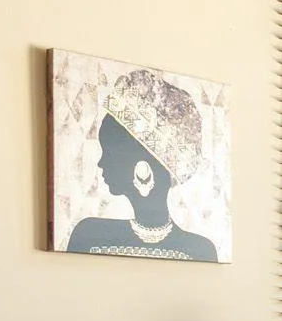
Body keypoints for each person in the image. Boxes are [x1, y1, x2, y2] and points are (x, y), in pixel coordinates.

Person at [64, 68, 219, 262]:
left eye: (109, 152)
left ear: (143, 171)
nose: (101, 163)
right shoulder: (89, 235)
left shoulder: (200, 251)